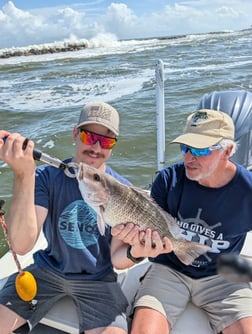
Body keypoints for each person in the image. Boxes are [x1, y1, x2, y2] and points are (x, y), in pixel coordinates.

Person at [111, 103, 252, 333]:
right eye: (185, 147)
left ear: (227, 151)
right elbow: (135, 245)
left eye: (200, 150)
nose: (188, 157)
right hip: (170, 269)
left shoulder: (248, 191)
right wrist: (138, 247)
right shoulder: (168, 181)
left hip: (224, 272)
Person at [0, 101, 131, 334]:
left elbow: (120, 257)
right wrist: (23, 174)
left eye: (107, 141)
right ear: (75, 134)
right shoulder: (45, 177)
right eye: (90, 137)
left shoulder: (123, 191)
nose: (97, 147)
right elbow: (21, 245)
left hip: (100, 280)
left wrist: (137, 252)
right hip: (47, 271)